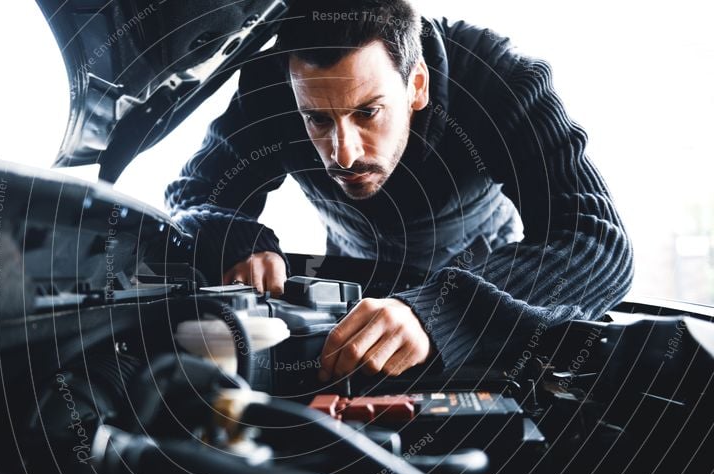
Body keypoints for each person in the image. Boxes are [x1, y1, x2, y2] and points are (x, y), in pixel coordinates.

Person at [165, 0, 633, 381]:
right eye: (318, 119)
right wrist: (236, 240)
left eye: (368, 113)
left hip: (485, 296)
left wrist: (443, 312)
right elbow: (190, 196)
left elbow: (600, 246)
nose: (343, 155)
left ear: (417, 86)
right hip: (352, 301)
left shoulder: (500, 79)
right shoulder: (272, 85)